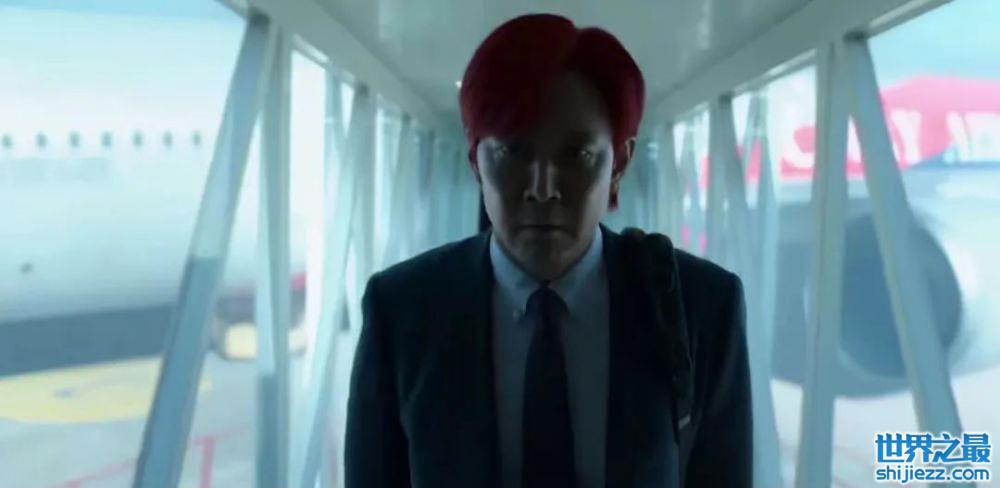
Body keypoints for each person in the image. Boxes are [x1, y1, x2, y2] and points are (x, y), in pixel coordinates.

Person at [345, 13, 752, 488]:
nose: (542, 188)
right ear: (476, 162)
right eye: (512, 152)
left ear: (620, 162)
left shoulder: (701, 307)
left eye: (577, 155)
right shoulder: (402, 311)